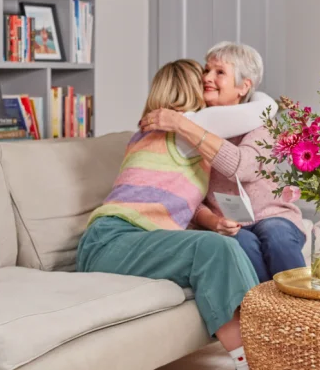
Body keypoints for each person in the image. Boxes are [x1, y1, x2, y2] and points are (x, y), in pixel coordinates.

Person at [77, 58, 278, 370]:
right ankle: (256, 360)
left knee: (223, 246)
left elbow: (172, 195)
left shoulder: (147, 135)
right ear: (191, 91)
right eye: (204, 80)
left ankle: (264, 347)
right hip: (112, 240)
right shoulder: (187, 129)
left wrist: (212, 220)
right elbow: (264, 110)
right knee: (216, 249)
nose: (210, 83)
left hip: (120, 242)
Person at [140, 42, 307, 283]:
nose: (207, 77)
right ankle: (265, 312)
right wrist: (213, 220)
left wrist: (181, 124)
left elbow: (242, 167)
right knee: (241, 244)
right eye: (206, 71)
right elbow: (185, 195)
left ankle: (309, 311)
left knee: (275, 235)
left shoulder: (261, 124)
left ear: (243, 86)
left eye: (219, 72)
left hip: (272, 216)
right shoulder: (191, 127)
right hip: (228, 223)